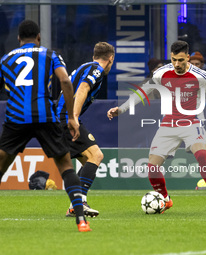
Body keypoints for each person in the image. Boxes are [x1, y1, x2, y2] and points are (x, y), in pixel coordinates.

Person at [0, 20, 91, 232]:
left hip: (17, 119)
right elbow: (66, 82)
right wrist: (71, 117)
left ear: (18, 39)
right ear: (39, 37)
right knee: (66, 166)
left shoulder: (5, 60)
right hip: (46, 117)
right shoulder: (50, 55)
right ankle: (81, 221)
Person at [107, 40, 206, 213]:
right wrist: (122, 109)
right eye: (174, 60)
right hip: (167, 125)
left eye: (181, 60)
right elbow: (143, 92)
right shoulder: (161, 73)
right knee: (152, 168)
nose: (177, 64)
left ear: (188, 57)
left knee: (202, 155)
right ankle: (165, 199)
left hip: (191, 123)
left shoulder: (200, 76)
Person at [57, 42, 115, 218]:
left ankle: (76, 204)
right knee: (96, 155)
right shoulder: (96, 69)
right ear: (111, 59)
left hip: (59, 118)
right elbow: (83, 88)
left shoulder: (85, 66)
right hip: (66, 118)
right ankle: (78, 203)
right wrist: (73, 117)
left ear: (94, 55)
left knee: (89, 160)